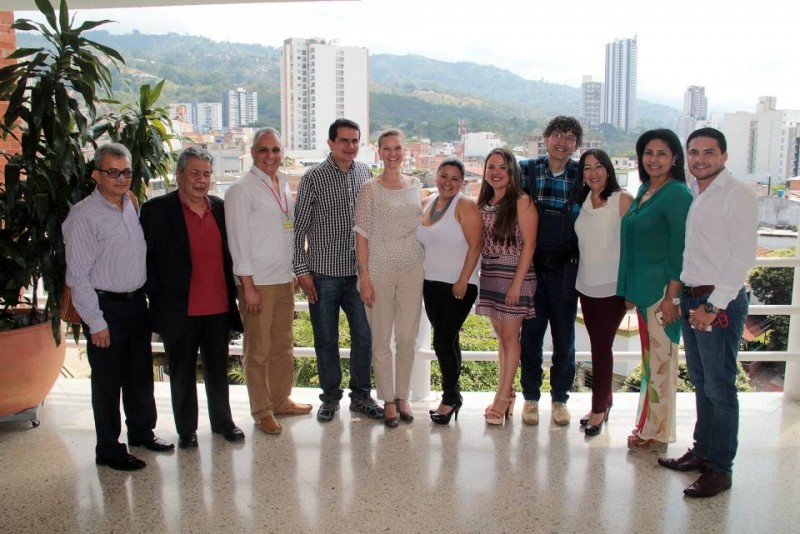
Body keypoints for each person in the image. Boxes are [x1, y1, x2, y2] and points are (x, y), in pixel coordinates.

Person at [658, 128, 757, 497]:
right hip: (693, 298)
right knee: (701, 382)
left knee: (720, 386)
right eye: (694, 152)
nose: (700, 158)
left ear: (724, 156)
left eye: (708, 152)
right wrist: (687, 299)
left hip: (718, 304)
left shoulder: (737, 195)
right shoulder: (698, 193)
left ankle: (720, 468)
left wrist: (712, 306)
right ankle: (702, 451)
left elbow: (741, 258)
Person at [63, 143, 173, 471]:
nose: (121, 178)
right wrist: (95, 322)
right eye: (113, 172)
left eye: (126, 171)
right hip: (105, 308)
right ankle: (109, 448)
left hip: (136, 304)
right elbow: (77, 276)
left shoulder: (131, 205)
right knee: (108, 381)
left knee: (139, 375)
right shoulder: (83, 215)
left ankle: (141, 432)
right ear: (96, 174)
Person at [140, 147, 245, 449]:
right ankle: (187, 430)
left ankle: (223, 422)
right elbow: (144, 262)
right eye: (195, 173)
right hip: (179, 310)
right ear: (179, 175)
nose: (201, 180)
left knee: (218, 370)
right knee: (182, 373)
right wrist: (159, 297)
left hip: (218, 307)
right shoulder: (157, 211)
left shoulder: (220, 208)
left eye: (207, 174)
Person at [294, 118, 383, 423]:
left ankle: (361, 396)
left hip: (359, 276)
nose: (350, 146)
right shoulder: (313, 178)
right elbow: (299, 228)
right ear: (331, 143)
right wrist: (301, 270)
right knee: (326, 340)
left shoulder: (365, 173)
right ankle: (330, 397)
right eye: (344, 140)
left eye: (355, 140)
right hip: (324, 275)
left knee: (364, 337)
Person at [225, 128, 311, 436]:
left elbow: (285, 233)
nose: (270, 156)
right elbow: (237, 242)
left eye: (275, 149)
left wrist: (293, 272)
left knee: (282, 346)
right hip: (257, 283)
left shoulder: (282, 184)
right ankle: (261, 411)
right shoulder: (241, 190)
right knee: (258, 349)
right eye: (264, 150)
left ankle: (280, 399)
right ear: (253, 153)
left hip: (282, 280)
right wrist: (247, 286)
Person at [617, 129, 693, 451]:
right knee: (652, 363)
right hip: (645, 291)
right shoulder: (646, 190)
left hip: (663, 293)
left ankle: (657, 431)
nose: (654, 159)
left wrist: (672, 296)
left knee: (662, 364)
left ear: (675, 158)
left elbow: (680, 249)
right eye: (648, 152)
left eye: (662, 153)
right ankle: (647, 424)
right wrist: (631, 289)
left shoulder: (677, 194)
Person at [354, 129, 424, 427]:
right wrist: (365, 277)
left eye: (397, 148)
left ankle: (403, 394)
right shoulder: (370, 189)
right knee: (381, 339)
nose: (393, 153)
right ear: (378, 153)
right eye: (387, 148)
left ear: (404, 151)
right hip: (379, 271)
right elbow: (361, 235)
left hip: (412, 269)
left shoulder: (416, 185)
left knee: (408, 337)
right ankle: (388, 399)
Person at [519, 116, 583, 426]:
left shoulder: (583, 174)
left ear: (576, 145)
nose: (562, 142)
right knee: (530, 335)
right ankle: (530, 398)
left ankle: (560, 399)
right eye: (557, 134)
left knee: (564, 337)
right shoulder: (526, 170)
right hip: (531, 266)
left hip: (566, 270)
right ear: (545, 137)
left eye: (570, 138)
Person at [417, 158, 482, 425]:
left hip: (458, 284)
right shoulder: (428, 202)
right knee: (449, 339)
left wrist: (463, 279)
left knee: (442, 342)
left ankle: (449, 398)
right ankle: (453, 396)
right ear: (436, 176)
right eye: (444, 176)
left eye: (455, 178)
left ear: (462, 182)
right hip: (430, 283)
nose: (448, 182)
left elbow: (476, 245)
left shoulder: (465, 204)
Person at [476, 148, 538, 425]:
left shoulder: (521, 201)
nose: (496, 172)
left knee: (511, 339)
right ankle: (508, 392)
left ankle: (501, 399)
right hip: (490, 274)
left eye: (502, 167)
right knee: (501, 338)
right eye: (491, 167)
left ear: (512, 171)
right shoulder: (485, 201)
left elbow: (529, 245)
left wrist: (516, 285)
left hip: (515, 276)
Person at [574, 149, 633, 436]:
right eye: (587, 168)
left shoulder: (621, 200)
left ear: (608, 169)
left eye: (598, 166)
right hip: (586, 286)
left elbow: (636, 246)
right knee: (598, 346)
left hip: (613, 289)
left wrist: (631, 288)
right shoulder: (583, 202)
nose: (593, 173)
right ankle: (604, 401)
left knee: (600, 347)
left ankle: (598, 409)